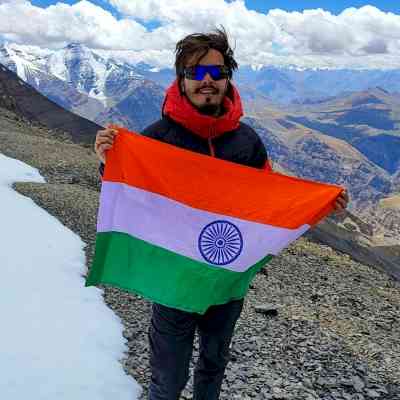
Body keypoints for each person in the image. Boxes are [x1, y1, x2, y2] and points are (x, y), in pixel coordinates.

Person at [94, 28, 349, 400]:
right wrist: (109, 165)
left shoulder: (246, 141)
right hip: (174, 285)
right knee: (167, 380)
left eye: (216, 72)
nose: (207, 81)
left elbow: (268, 203)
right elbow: (134, 199)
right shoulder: (157, 140)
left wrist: (321, 205)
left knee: (213, 369)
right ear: (181, 81)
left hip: (226, 280)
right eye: (196, 73)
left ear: (228, 76)